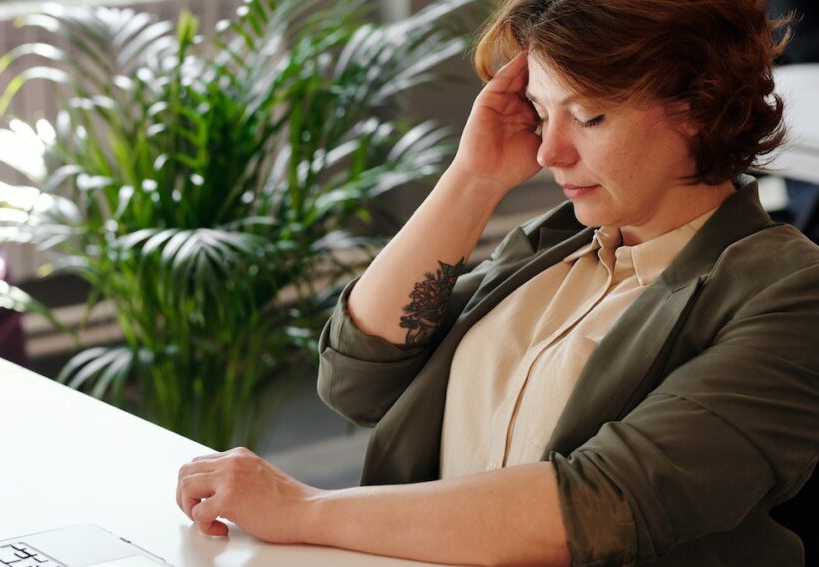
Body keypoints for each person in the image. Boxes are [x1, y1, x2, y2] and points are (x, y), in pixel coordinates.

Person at [176, 1, 819, 565]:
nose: (549, 153)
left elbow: (600, 505)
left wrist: (304, 509)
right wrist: (473, 177)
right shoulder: (555, 245)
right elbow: (358, 378)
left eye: (589, 116)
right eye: (542, 113)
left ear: (702, 108)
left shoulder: (788, 292)